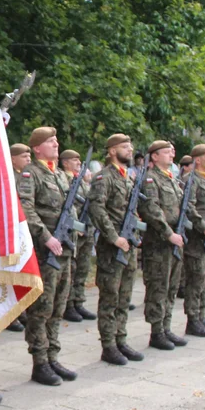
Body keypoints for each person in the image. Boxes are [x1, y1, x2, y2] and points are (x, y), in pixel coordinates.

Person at [18, 127, 79, 384]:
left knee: (58, 307)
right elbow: (25, 208)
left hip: (65, 249)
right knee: (41, 309)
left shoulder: (59, 175)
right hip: (46, 251)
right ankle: (39, 361)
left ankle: (53, 356)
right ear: (37, 148)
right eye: (50, 141)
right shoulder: (31, 173)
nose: (55, 144)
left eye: (55, 140)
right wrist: (46, 236)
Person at [138, 140, 204, 349]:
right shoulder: (150, 179)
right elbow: (152, 210)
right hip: (159, 242)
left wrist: (201, 226)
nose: (171, 155)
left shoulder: (172, 179)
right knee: (159, 287)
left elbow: (185, 206)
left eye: (171, 152)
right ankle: (156, 332)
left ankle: (166, 328)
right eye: (166, 152)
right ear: (154, 156)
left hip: (175, 239)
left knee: (172, 286)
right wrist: (168, 234)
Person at [88, 134, 144, 365]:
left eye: (130, 145)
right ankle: (108, 345)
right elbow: (97, 210)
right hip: (113, 248)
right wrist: (114, 237)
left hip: (128, 245)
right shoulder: (104, 177)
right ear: (112, 151)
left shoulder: (128, 178)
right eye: (124, 146)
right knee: (110, 297)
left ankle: (121, 338)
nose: (129, 149)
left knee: (125, 296)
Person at [181, 144, 205, 336]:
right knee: (196, 279)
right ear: (198, 160)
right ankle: (193, 319)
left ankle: (202, 315)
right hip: (197, 237)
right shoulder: (191, 180)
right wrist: (203, 227)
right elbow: (189, 207)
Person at [58, 150, 91, 323]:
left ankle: (78, 301)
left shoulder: (82, 179)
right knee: (72, 268)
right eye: (74, 159)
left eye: (79, 158)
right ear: (65, 163)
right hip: (73, 230)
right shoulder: (65, 178)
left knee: (83, 269)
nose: (78, 162)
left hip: (86, 229)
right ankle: (69, 304)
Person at [7, 143, 33, 333]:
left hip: (24, 230)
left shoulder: (26, 177)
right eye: (24, 156)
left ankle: (22, 310)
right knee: (11, 273)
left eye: (29, 156)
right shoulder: (7, 176)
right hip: (11, 231)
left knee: (23, 272)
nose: (28, 159)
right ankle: (11, 314)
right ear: (13, 158)